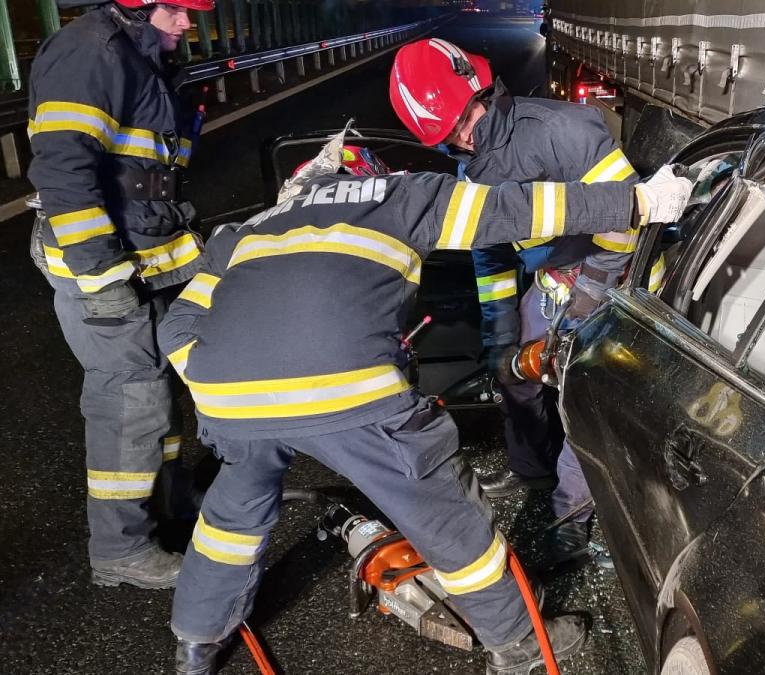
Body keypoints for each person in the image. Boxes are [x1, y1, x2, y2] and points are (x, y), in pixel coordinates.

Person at [163, 145, 692, 673]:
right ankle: (517, 644)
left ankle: (196, 644)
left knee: (230, 522)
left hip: (227, 395)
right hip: (348, 386)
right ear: (366, 172)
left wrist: (224, 388)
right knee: (447, 516)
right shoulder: (397, 195)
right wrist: (638, 202)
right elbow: (516, 210)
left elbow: (177, 329)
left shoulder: (249, 230)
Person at [390, 38, 657, 567]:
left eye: (466, 120)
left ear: (481, 88)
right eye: (450, 137)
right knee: (514, 373)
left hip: (612, 278)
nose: (463, 140)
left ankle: (569, 517)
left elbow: (629, 216)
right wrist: (499, 329)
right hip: (555, 281)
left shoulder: (564, 130)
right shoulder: (471, 169)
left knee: (581, 394)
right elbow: (489, 254)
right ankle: (531, 470)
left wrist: (591, 292)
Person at [26, 0, 213, 589]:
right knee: (130, 400)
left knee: (159, 386)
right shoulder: (90, 54)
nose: (188, 23)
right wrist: (102, 276)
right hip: (104, 264)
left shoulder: (140, 56)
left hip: (145, 253)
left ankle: (170, 503)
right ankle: (119, 549)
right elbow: (62, 174)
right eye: (177, 10)